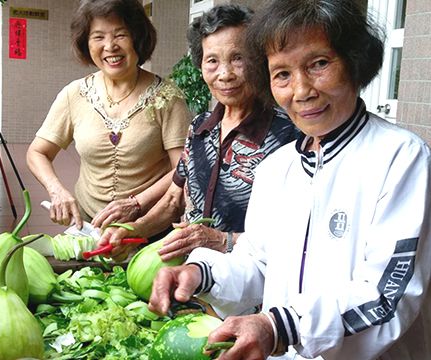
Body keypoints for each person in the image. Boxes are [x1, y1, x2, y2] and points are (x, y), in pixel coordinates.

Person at [148, 0, 431, 359]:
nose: (301, 90)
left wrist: (278, 326)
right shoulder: (278, 167)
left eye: (318, 65)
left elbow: (387, 294)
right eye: (282, 73)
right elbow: (258, 261)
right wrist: (200, 273)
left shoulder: (401, 158)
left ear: (355, 63)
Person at [99, 4, 297, 262]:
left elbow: (295, 233)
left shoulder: (289, 136)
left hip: (251, 288)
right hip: (192, 281)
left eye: (238, 58)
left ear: (260, 60)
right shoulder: (201, 128)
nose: (225, 74)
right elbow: (173, 201)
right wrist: (132, 231)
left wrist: (219, 240)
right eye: (212, 61)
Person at [27, 0, 191, 230]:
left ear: (138, 38)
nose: (110, 46)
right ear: (86, 43)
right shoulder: (75, 94)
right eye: (98, 37)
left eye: (120, 35)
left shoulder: (167, 98)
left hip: (147, 226)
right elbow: (37, 152)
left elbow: (183, 168)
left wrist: (136, 203)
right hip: (87, 225)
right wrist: (57, 191)